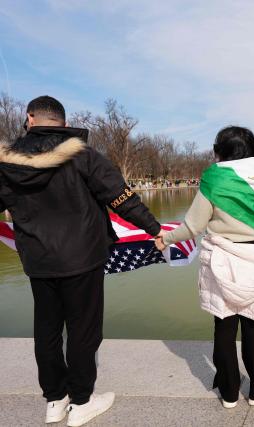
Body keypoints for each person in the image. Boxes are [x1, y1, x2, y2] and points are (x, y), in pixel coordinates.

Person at [0, 96, 162, 426]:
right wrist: (156, 229)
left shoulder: (7, 162)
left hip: (38, 258)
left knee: (45, 331)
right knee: (82, 331)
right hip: (83, 256)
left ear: (30, 118)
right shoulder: (83, 155)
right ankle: (82, 401)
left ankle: (54, 401)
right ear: (63, 121)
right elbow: (122, 198)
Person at [156, 126, 254, 409]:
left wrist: (165, 238)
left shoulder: (214, 180)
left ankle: (228, 391)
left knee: (224, 328)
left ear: (219, 152)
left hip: (222, 260)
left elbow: (193, 226)